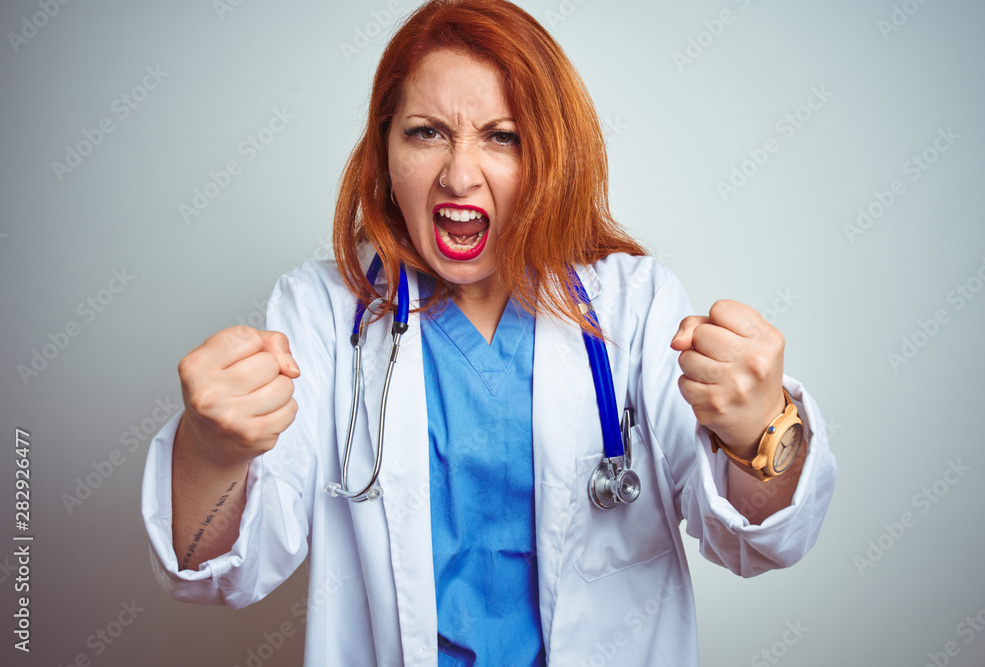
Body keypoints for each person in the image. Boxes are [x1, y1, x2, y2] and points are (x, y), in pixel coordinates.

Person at [141, 1, 837, 665]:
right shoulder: (322, 312)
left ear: (551, 158)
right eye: (426, 132)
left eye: (502, 137)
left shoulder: (635, 304)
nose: (459, 174)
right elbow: (217, 572)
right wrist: (212, 451)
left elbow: (756, 541)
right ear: (385, 152)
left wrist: (761, 436)